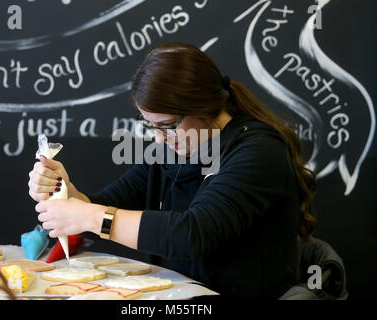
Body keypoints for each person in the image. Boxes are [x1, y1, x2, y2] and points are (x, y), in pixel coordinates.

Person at [28, 42, 317, 299]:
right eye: (150, 125)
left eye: (167, 125)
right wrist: (64, 191)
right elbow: (107, 206)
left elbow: (193, 235)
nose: (158, 138)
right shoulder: (172, 149)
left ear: (202, 105)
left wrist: (90, 217)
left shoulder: (258, 151)